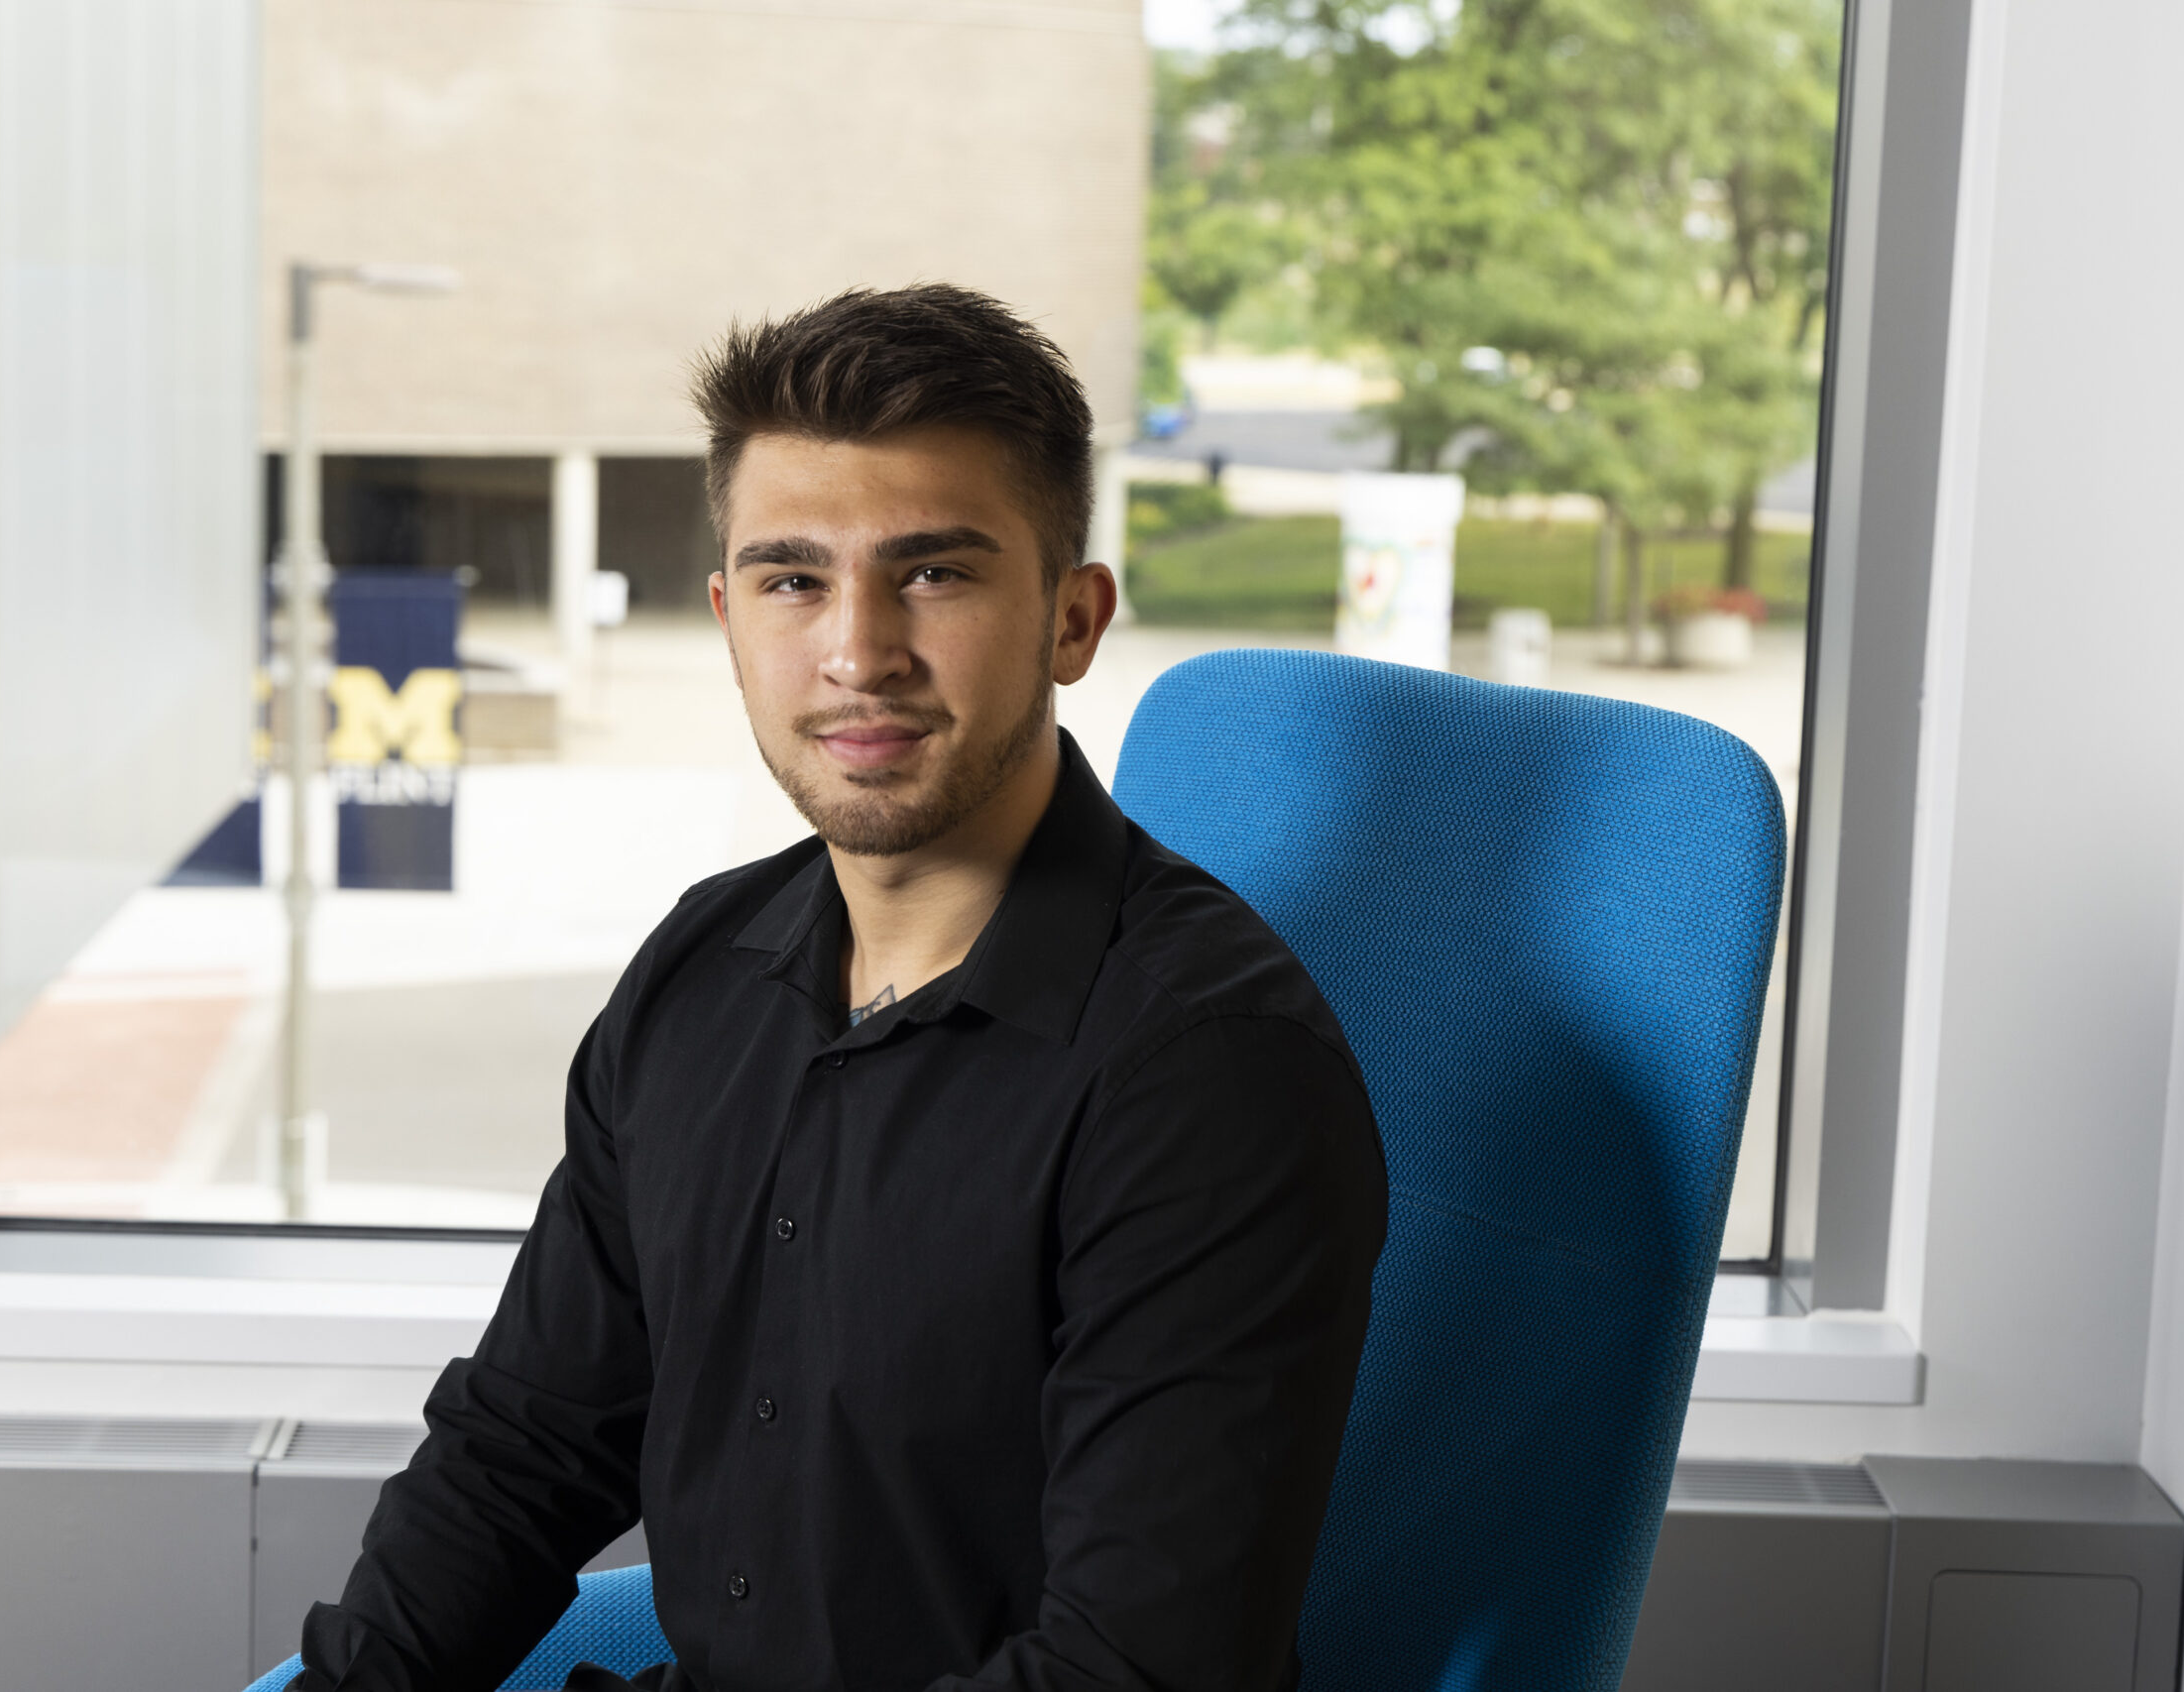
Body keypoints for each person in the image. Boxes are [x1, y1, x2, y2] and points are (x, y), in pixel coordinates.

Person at [291, 284, 1389, 1692]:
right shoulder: (699, 973)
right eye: (793, 578)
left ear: (1072, 618)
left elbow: (1136, 1673)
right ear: (729, 615)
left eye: (934, 572)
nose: (856, 650)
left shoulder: (1207, 1069)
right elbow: (525, 1449)